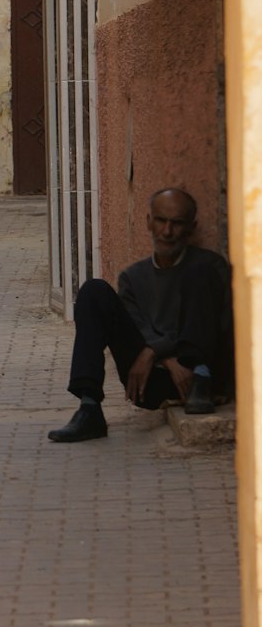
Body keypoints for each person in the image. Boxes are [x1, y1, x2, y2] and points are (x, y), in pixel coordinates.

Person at [48, 187, 233, 444]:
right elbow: (138, 328)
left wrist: (153, 351)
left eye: (177, 223)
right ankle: (89, 408)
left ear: (191, 227)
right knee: (94, 291)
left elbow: (214, 325)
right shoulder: (133, 278)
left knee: (199, 274)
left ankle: (200, 380)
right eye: (160, 220)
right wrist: (162, 357)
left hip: (201, 381)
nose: (167, 232)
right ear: (149, 221)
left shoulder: (210, 267)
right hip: (147, 379)